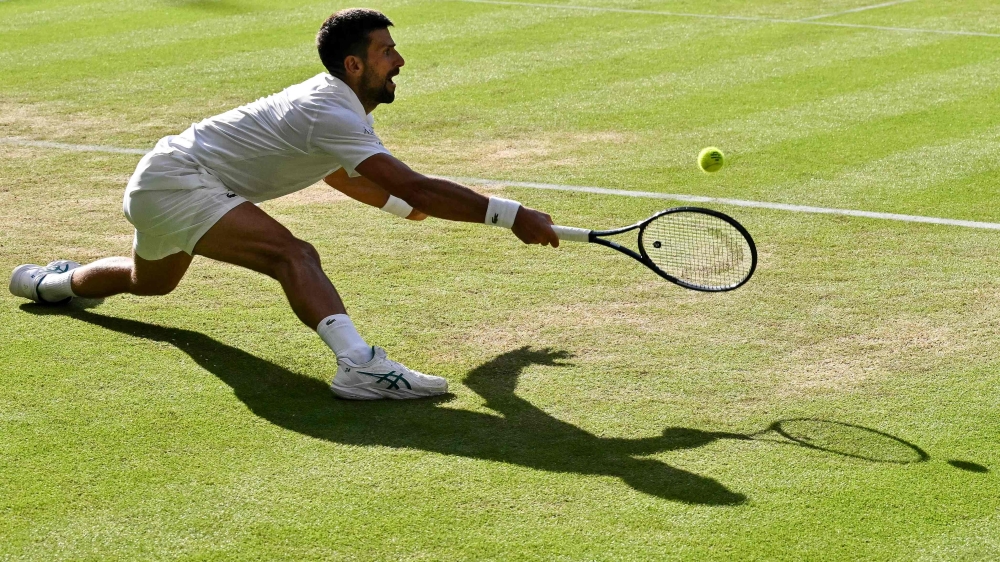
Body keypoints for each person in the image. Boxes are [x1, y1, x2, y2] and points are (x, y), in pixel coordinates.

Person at [9, 8, 560, 400]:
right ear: (354, 65)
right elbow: (416, 185)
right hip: (179, 182)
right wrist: (510, 215)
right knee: (293, 254)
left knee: (147, 282)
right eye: (386, 51)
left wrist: (400, 208)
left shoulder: (334, 105)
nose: (400, 60)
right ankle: (358, 365)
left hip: (161, 181)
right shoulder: (332, 111)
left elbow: (339, 173)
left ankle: (49, 285)